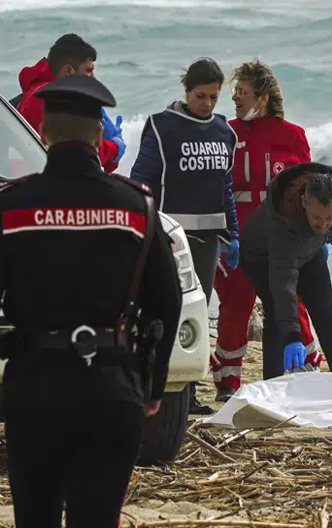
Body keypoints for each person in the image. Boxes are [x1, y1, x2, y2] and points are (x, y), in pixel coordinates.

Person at [0, 74, 182, 528]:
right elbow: (167, 302)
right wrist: (153, 383)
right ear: (99, 136)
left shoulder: (10, 206)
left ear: (43, 133)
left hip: (36, 388)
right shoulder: (137, 206)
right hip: (113, 388)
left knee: (34, 517)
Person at [210, 59, 328, 401]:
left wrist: (318, 234)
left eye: (242, 93)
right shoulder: (225, 132)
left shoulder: (292, 135)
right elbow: (214, 185)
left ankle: (306, 367)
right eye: (235, 93)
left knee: (291, 302)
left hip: (282, 240)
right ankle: (227, 382)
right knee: (235, 305)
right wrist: (221, 235)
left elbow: (312, 188)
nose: (235, 99)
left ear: (262, 97)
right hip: (236, 236)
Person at [129, 57, 238, 415]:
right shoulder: (163, 128)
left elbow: (225, 187)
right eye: (201, 96)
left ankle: (187, 394)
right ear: (186, 91)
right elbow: (142, 179)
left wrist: (232, 234)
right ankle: (152, 387)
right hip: (169, 238)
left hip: (207, 240)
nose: (207, 104)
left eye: (213, 97)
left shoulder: (225, 132)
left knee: (196, 312)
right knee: (163, 311)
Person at [239, 162, 332, 380]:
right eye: (317, 218)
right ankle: (273, 383)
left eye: (328, 218)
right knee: (276, 312)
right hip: (261, 256)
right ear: (303, 202)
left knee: (326, 311)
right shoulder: (284, 222)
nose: (323, 224)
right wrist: (293, 337)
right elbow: (284, 287)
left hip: (309, 250)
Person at [15, 34, 125, 173]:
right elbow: (78, 153)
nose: (93, 78)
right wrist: (114, 147)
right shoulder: (50, 99)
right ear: (68, 71)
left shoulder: (36, 92)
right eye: (88, 71)